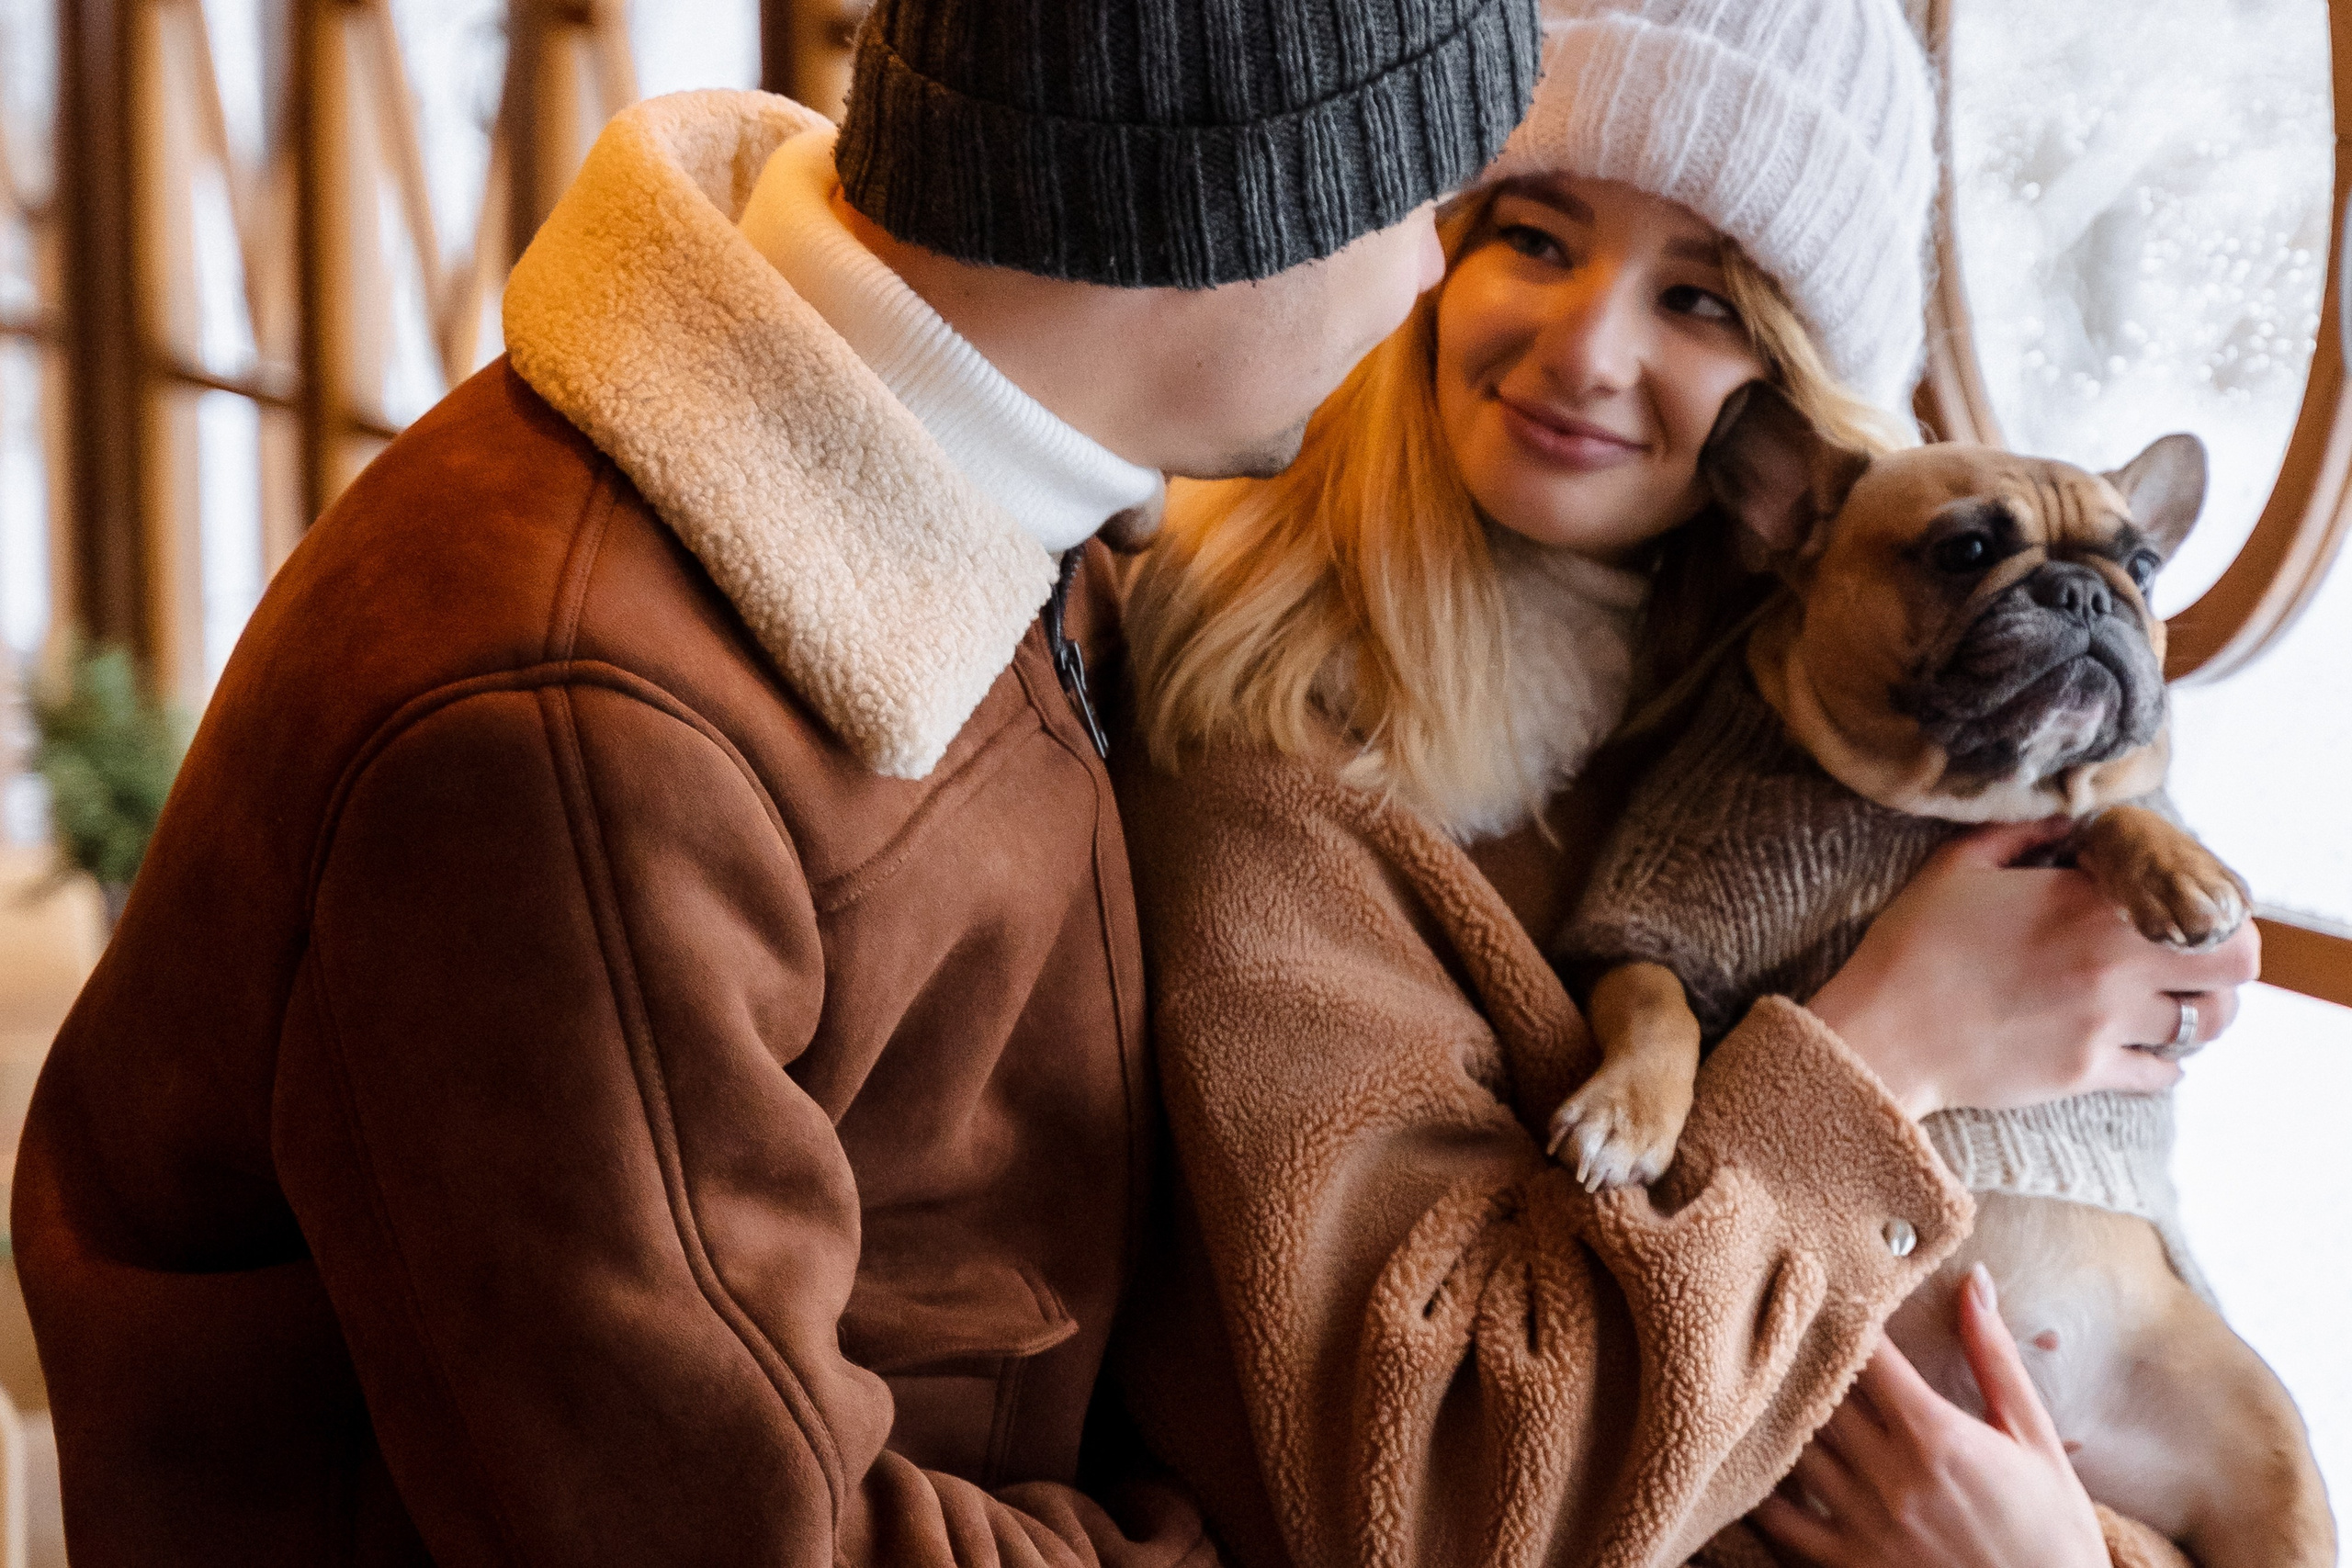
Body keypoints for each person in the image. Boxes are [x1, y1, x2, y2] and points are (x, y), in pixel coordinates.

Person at [8, 2, 1548, 1561]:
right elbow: (729, 1537)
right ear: (1240, 214)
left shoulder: (983, 474)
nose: (1431, 272)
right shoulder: (571, 735)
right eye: (1419, 203)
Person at [1114, 1, 2260, 1564]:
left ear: (1788, 424)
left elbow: (2116, 1375)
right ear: (1422, 251)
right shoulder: (1280, 755)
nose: (1588, 350)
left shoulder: (1823, 712)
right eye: (1531, 235)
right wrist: (1894, 1040)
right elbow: (1439, 1495)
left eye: (1703, 298)